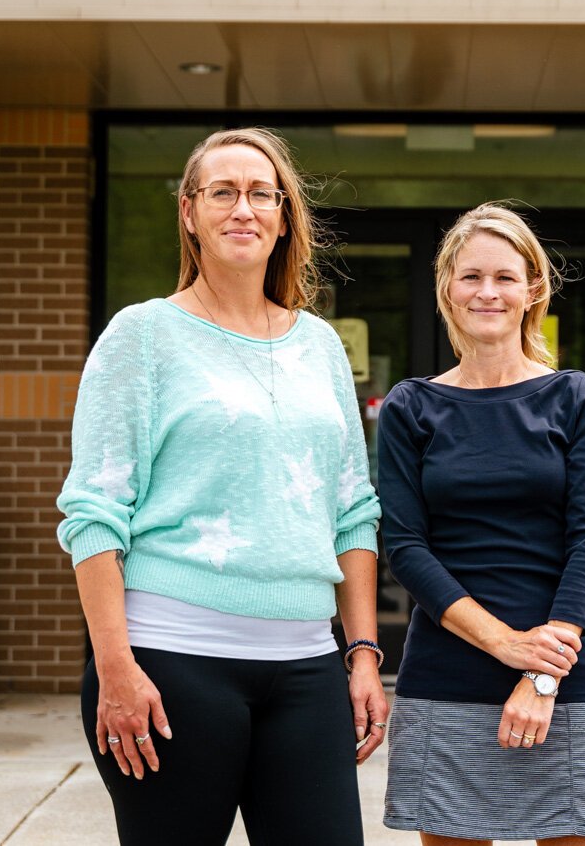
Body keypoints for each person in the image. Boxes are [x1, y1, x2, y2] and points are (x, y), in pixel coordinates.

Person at [56, 127, 386, 846]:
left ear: (283, 214)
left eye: (262, 193)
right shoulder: (141, 335)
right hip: (170, 666)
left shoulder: (320, 346)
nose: (245, 208)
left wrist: (362, 654)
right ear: (189, 211)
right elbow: (93, 512)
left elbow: (354, 511)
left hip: (306, 668)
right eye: (224, 191)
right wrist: (115, 666)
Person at [378, 203, 585, 845]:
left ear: (532, 290)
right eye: (471, 277)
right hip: (447, 676)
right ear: (447, 290)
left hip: (562, 675)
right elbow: (404, 546)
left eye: (505, 277)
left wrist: (539, 672)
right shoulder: (412, 406)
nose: (487, 292)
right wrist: (503, 644)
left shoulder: (577, 397)